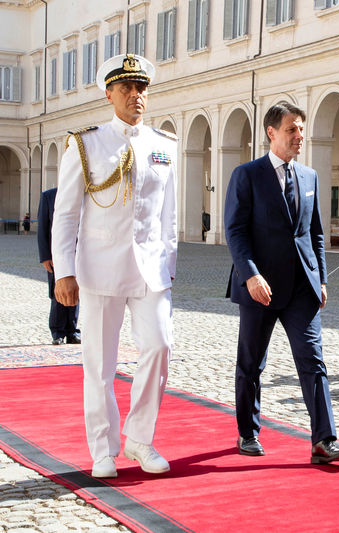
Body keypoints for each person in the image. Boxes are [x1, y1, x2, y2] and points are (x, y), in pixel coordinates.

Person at [51, 53, 177, 478]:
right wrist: (64, 272)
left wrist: (168, 263)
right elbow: (66, 213)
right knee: (99, 366)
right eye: (126, 88)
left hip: (149, 271)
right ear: (109, 93)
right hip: (100, 268)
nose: (136, 95)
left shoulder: (163, 146)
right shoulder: (86, 144)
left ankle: (140, 440)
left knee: (158, 346)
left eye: (141, 88)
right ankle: (103, 450)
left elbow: (168, 216)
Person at [225, 103, 339, 464]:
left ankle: (323, 440)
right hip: (260, 287)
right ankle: (248, 431)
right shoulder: (246, 175)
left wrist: (322, 279)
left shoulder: (310, 177)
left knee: (313, 362)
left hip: (301, 288)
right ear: (272, 132)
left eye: (301, 129)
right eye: (292, 129)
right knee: (251, 362)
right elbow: (235, 231)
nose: (299, 136)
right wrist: (250, 275)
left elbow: (315, 234)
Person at [37, 187, 80, 345]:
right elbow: (42, 228)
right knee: (58, 295)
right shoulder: (48, 196)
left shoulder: (81, 194)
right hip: (57, 256)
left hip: (79, 254)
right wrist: (45, 256)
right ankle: (57, 332)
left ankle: (72, 330)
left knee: (76, 293)